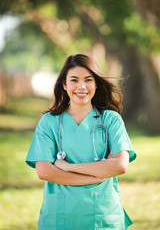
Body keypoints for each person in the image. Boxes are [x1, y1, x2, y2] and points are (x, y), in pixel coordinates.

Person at [25, 53, 137, 230]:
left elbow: (120, 166)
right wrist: (98, 175)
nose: (81, 86)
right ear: (64, 84)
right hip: (60, 217)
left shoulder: (110, 120)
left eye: (88, 79)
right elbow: (44, 171)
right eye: (74, 80)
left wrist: (69, 167)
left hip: (103, 217)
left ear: (96, 84)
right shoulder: (49, 122)